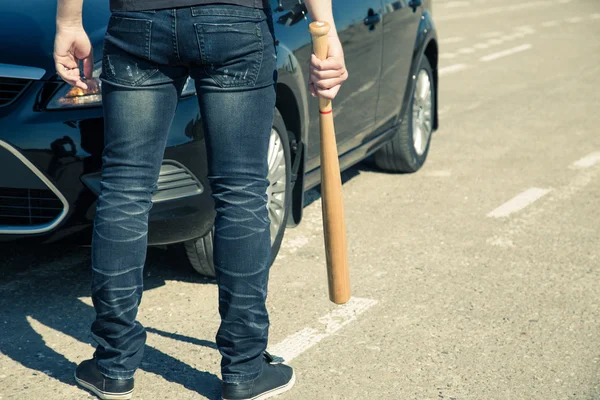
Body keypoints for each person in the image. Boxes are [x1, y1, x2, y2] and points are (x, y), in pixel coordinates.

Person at [53, 0, 348, 399]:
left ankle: (112, 366)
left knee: (125, 189)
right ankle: (244, 368)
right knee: (242, 192)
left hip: (139, 19)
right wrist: (323, 25)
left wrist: (69, 21)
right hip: (236, 18)